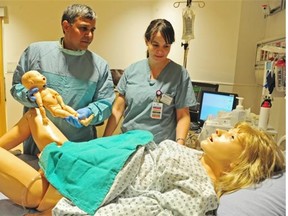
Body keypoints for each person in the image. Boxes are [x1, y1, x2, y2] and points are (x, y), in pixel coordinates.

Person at [0, 108, 285, 215]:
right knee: (35, 115)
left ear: (237, 165)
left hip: (82, 186)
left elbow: (143, 210)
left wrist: (66, 211)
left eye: (231, 137)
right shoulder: (197, 157)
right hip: (93, 160)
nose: (221, 131)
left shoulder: (200, 192)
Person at [10, 4, 115, 155]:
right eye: (83, 28)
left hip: (79, 144)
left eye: (92, 30)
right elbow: (16, 87)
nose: (89, 35)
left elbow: (105, 102)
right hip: (38, 142)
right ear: (66, 26)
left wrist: (90, 112)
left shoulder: (99, 65)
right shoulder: (36, 53)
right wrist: (29, 96)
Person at [103, 19, 196, 145]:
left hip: (161, 146)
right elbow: (118, 109)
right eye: (155, 45)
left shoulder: (179, 74)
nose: (160, 51)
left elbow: (183, 116)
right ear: (147, 42)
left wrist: (179, 146)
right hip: (128, 143)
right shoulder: (132, 71)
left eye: (166, 46)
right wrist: (104, 140)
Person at [21, 70, 94, 126]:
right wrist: (44, 117)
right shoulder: (37, 93)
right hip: (54, 110)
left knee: (68, 109)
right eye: (38, 75)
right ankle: (81, 121)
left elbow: (57, 94)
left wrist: (62, 104)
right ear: (31, 82)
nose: (42, 76)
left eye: (40, 74)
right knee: (67, 114)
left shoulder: (47, 89)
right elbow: (41, 106)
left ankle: (81, 117)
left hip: (59, 106)